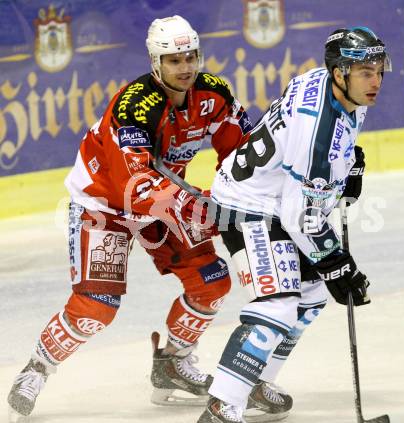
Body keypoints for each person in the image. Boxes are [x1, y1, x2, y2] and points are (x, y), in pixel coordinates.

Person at [5, 15, 284, 422]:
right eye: (174, 60)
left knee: (211, 283)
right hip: (105, 205)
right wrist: (215, 211)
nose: (185, 67)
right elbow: (138, 191)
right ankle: (37, 369)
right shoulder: (135, 104)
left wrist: (274, 183)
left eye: (190, 56)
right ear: (156, 62)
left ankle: (172, 363)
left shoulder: (214, 93)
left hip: (164, 200)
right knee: (96, 306)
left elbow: (244, 153)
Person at [197, 26, 392, 423]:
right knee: (280, 304)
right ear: (339, 73)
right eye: (365, 72)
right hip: (246, 204)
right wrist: (337, 261)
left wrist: (347, 161)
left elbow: (312, 155)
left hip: (277, 195)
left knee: (311, 294)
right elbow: (299, 215)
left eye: (378, 70)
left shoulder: (330, 83)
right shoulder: (317, 128)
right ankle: (222, 405)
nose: (375, 81)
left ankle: (250, 383)